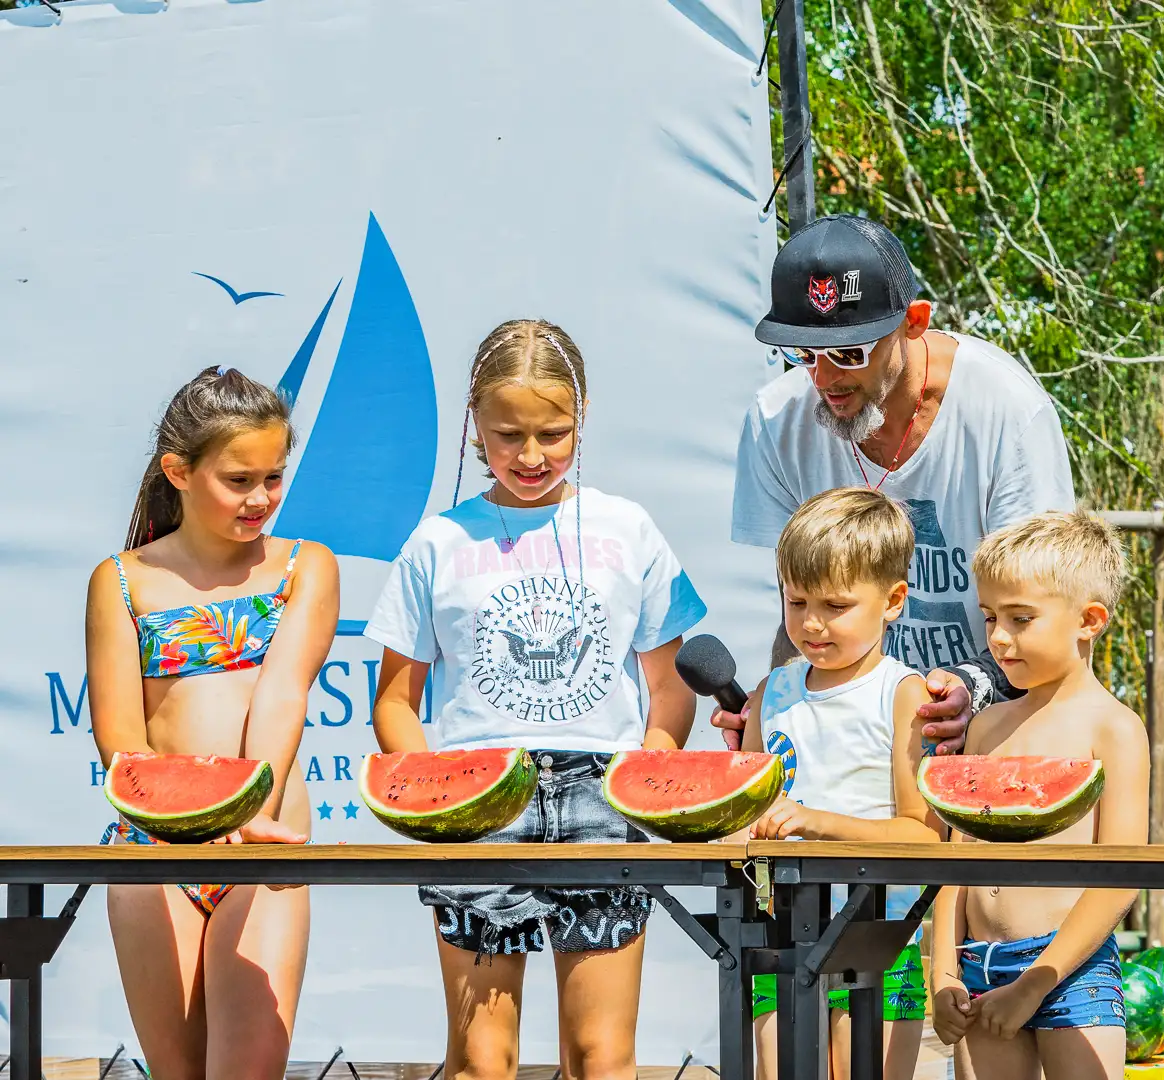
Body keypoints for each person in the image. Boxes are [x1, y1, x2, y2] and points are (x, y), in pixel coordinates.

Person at [367, 320, 705, 1080]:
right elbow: (395, 700)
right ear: (473, 426)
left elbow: (669, 685)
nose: (530, 456)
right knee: (481, 1059)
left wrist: (651, 768)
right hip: (477, 799)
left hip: (604, 797)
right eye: (506, 435)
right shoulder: (437, 542)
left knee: (601, 1057)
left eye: (553, 434)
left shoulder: (630, 528)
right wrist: (436, 792)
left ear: (582, 421)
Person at [721, 214, 1076, 753]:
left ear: (913, 322)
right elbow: (797, 610)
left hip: (999, 729)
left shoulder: (1007, 412)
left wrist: (975, 687)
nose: (824, 379)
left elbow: (1046, 612)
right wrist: (778, 709)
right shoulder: (774, 422)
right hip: (852, 738)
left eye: (849, 352)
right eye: (803, 354)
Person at [85, 366, 337, 1078]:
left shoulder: (305, 567)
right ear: (179, 472)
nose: (261, 498)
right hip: (152, 854)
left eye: (273, 477)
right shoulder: (121, 579)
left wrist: (248, 812)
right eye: (239, 480)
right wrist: (187, 820)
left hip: (264, 846)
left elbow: (283, 694)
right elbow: (121, 740)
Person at [928, 511, 1149, 1080]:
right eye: (990, 617)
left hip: (1070, 973)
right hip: (977, 970)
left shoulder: (1115, 729)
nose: (999, 637)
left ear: (1089, 621)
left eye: (1021, 619)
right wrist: (943, 972)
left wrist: (1034, 984)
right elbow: (957, 863)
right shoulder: (984, 727)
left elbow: (1121, 876)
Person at [737, 488, 942, 1080]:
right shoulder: (771, 692)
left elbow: (924, 836)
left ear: (893, 600)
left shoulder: (902, 694)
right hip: (781, 934)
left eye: (835, 605)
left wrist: (817, 823)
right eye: (796, 600)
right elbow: (742, 815)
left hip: (879, 939)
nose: (811, 622)